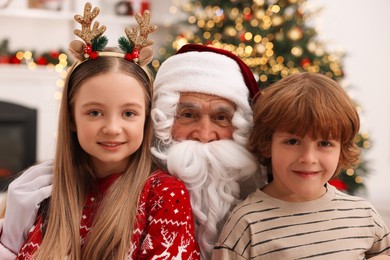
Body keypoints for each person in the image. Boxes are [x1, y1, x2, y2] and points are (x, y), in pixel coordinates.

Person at [0, 3, 199, 259]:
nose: (112, 128)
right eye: (95, 112)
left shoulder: (164, 195)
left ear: (146, 119)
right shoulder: (46, 191)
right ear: (71, 118)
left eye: (129, 113)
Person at [212, 72, 390, 259]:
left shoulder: (363, 215)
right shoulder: (246, 224)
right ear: (267, 144)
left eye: (324, 143)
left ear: (341, 150)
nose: (308, 158)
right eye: (292, 142)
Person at [150, 43, 265, 259]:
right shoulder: (136, 191)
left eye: (221, 118)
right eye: (188, 115)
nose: (204, 135)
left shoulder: (263, 196)